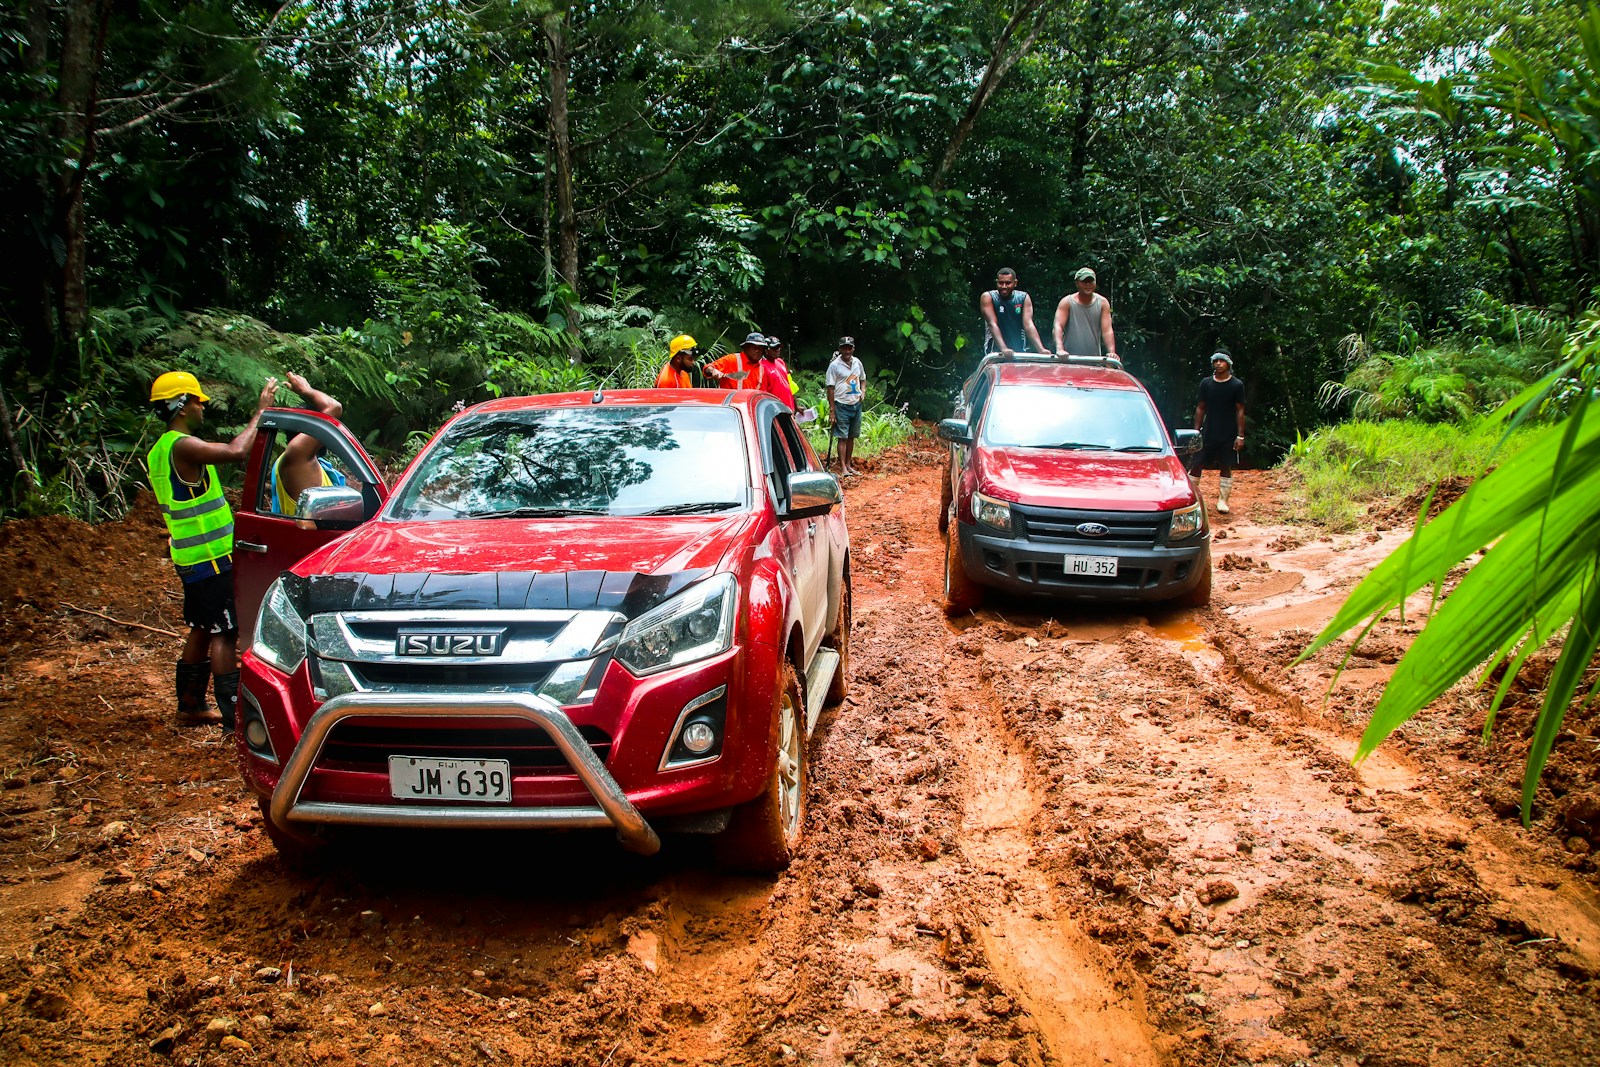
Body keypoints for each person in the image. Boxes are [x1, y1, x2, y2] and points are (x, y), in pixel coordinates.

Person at [147, 370, 278, 728]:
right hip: (210, 557)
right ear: (182, 405)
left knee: (202, 627)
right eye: (197, 400)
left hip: (191, 558)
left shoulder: (159, 450)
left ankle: (189, 706)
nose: (202, 406)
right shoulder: (182, 445)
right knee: (225, 632)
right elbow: (237, 451)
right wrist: (261, 413)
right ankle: (233, 716)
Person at [268, 372, 347, 516]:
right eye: (323, 428)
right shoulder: (297, 458)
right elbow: (334, 408)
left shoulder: (303, 461)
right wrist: (306, 390)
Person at [1191, 350, 1246, 514]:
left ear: (1229, 364)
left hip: (1228, 432)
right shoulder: (1206, 383)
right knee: (1196, 463)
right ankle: (1192, 498)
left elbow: (1240, 411)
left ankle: (1223, 500)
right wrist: (1195, 432)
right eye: (1215, 361)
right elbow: (1200, 408)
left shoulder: (1237, 385)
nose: (1218, 364)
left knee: (1226, 465)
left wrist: (1240, 435)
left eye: (1222, 361)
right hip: (1208, 430)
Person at [979, 267, 1048, 355]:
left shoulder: (1023, 297)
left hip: (1019, 351)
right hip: (995, 352)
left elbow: (1028, 324)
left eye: (1008, 283)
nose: (1004, 286)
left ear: (1015, 283)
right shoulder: (988, 297)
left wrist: (1041, 349)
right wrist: (1004, 349)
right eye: (1000, 283)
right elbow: (992, 324)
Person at [1053, 266, 1117, 359]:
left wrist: (1111, 352)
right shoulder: (1067, 302)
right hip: (1068, 359)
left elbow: (1107, 330)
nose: (1088, 284)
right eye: (1084, 281)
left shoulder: (1102, 303)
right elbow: (1058, 326)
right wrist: (1060, 349)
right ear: (1077, 283)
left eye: (1090, 281)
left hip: (1093, 360)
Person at [826, 336, 866, 476]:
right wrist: (832, 411)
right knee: (842, 437)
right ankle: (842, 467)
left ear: (853, 348)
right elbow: (830, 388)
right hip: (841, 405)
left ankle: (849, 465)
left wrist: (863, 391)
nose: (847, 350)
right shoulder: (834, 366)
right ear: (840, 349)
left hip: (856, 404)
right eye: (844, 347)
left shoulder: (857, 363)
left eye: (850, 347)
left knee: (851, 436)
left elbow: (863, 379)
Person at [704, 332, 770, 391]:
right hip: (730, 404)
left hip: (749, 404)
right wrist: (713, 371)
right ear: (746, 347)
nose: (757, 351)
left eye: (760, 348)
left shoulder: (762, 369)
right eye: (754, 347)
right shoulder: (732, 359)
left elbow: (762, 394)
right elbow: (707, 368)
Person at [759, 335, 798, 410]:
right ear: (766, 350)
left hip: (789, 408)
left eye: (778, 347)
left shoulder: (780, 362)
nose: (777, 350)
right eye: (774, 348)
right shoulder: (762, 366)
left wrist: (796, 406)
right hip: (776, 410)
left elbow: (790, 384)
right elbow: (763, 393)